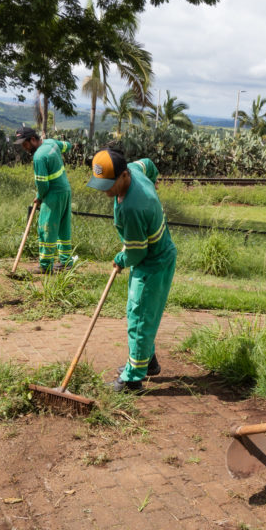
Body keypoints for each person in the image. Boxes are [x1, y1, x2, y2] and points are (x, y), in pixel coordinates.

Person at [86, 148, 176, 393]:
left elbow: (137, 253)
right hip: (158, 254)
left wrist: (120, 258)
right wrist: (154, 184)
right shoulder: (136, 170)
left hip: (152, 263)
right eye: (100, 184)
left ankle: (132, 380)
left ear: (124, 175)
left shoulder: (133, 208)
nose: (104, 191)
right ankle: (148, 362)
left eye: (108, 184)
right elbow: (148, 163)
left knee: (138, 317)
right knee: (144, 315)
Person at [15, 126, 74, 274]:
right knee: (62, 227)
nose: (24, 148)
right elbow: (68, 146)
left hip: (53, 194)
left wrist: (40, 197)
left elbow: (42, 184)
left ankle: (46, 265)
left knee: (46, 227)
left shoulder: (39, 157)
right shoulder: (51, 143)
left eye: (25, 144)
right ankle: (66, 261)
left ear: (33, 140)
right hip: (65, 190)